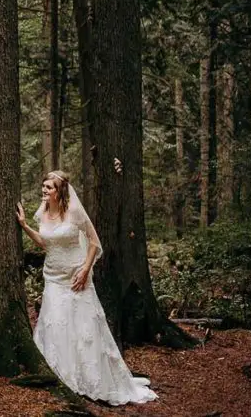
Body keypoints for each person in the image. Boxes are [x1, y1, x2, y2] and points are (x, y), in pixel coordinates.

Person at [16, 170, 156, 405]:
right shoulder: (43, 212)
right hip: (53, 276)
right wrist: (24, 226)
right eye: (43, 186)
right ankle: (58, 373)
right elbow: (44, 243)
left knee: (83, 327)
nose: (44, 190)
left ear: (60, 191)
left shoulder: (74, 212)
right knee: (55, 323)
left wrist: (84, 269)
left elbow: (93, 242)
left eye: (49, 187)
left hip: (76, 278)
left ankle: (88, 376)